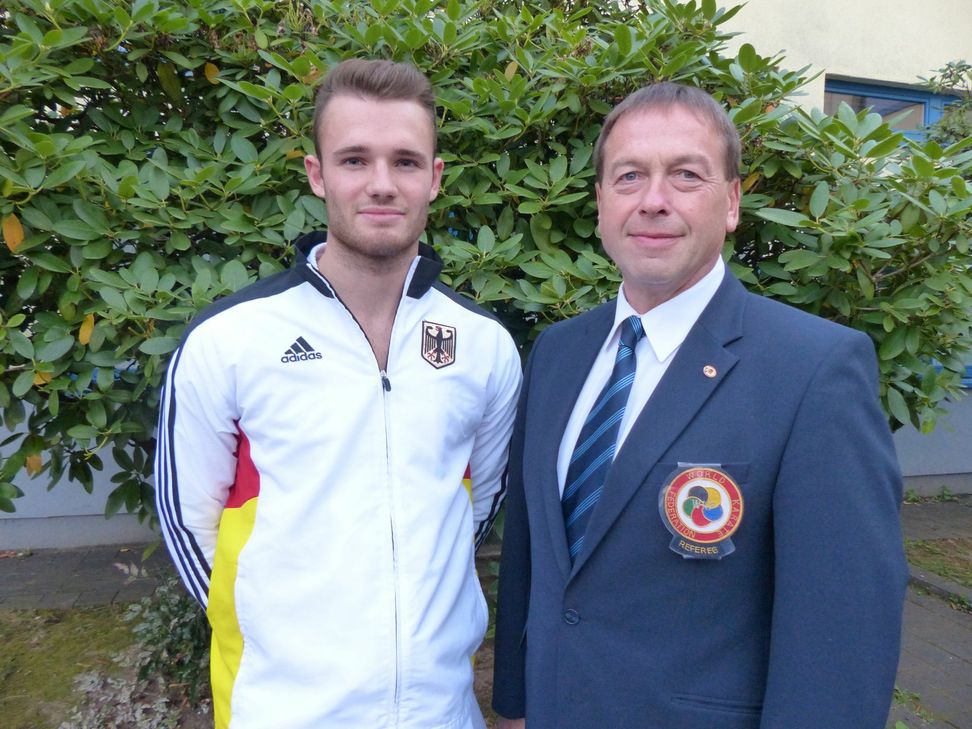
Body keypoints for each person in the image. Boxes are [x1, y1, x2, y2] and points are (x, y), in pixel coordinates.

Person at [491, 82, 907, 729]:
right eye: (629, 176)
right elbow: (532, 553)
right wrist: (514, 702)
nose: (653, 201)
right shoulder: (558, 352)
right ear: (601, 202)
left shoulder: (815, 371)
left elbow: (840, 635)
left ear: (733, 202)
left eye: (686, 175)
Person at [155, 58, 521, 729]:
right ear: (317, 173)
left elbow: (474, 508)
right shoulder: (230, 340)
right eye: (355, 159)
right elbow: (188, 522)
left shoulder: (484, 345)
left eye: (405, 161)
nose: (382, 183)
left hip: (440, 713)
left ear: (435, 179)